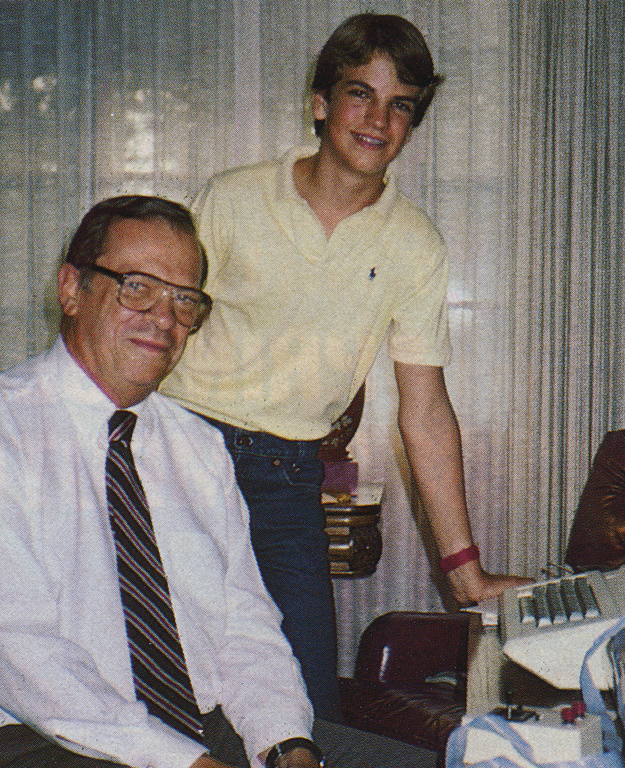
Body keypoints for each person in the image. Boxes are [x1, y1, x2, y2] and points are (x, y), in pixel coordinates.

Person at [0, 195, 437, 768]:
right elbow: (26, 663)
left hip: (197, 730)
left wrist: (292, 749)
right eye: (138, 288)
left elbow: (246, 629)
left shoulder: (197, 448)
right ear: (71, 289)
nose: (165, 318)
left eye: (185, 300)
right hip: (20, 745)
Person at [160, 12, 530, 722]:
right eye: (360, 93)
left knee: (305, 714)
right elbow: (153, 334)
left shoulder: (414, 244)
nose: (378, 119)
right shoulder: (230, 198)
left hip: (284, 480)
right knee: (167, 693)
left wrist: (464, 570)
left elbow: (423, 411)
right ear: (320, 103)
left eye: (401, 106)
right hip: (178, 454)